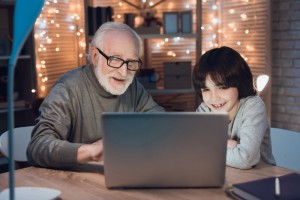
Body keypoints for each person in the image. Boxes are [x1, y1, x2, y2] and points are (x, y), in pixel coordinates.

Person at [26, 22, 164, 168]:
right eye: (115, 59)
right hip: (76, 182)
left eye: (131, 62)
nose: (124, 73)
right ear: (95, 56)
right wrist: (91, 151)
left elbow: (160, 121)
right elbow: (37, 146)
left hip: (121, 172)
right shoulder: (68, 88)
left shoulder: (133, 86)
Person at [192, 46, 276, 169]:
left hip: (260, 179)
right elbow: (191, 149)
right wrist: (231, 145)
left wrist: (209, 149)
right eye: (206, 89)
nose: (214, 98)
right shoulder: (205, 110)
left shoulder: (253, 106)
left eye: (222, 88)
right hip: (224, 174)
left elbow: (245, 159)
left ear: (239, 83)